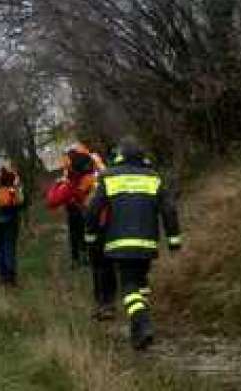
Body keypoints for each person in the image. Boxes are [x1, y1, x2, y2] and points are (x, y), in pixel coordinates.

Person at [84, 137, 182, 350]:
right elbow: (169, 210)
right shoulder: (153, 178)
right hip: (147, 244)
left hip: (119, 244)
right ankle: (137, 332)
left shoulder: (108, 177)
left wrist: (90, 236)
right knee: (140, 282)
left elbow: (93, 209)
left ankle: (142, 322)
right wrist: (174, 240)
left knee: (128, 286)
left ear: (119, 156)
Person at [45, 143, 117, 320]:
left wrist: (58, 182)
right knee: (108, 263)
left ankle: (103, 304)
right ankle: (108, 302)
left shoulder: (72, 182)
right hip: (113, 220)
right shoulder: (99, 170)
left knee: (98, 263)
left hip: (94, 223)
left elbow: (52, 201)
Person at [0, 166, 24, 286]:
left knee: (0, 248)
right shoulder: (14, 190)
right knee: (9, 248)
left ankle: (2, 275)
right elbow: (22, 205)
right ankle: (11, 276)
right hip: (11, 222)